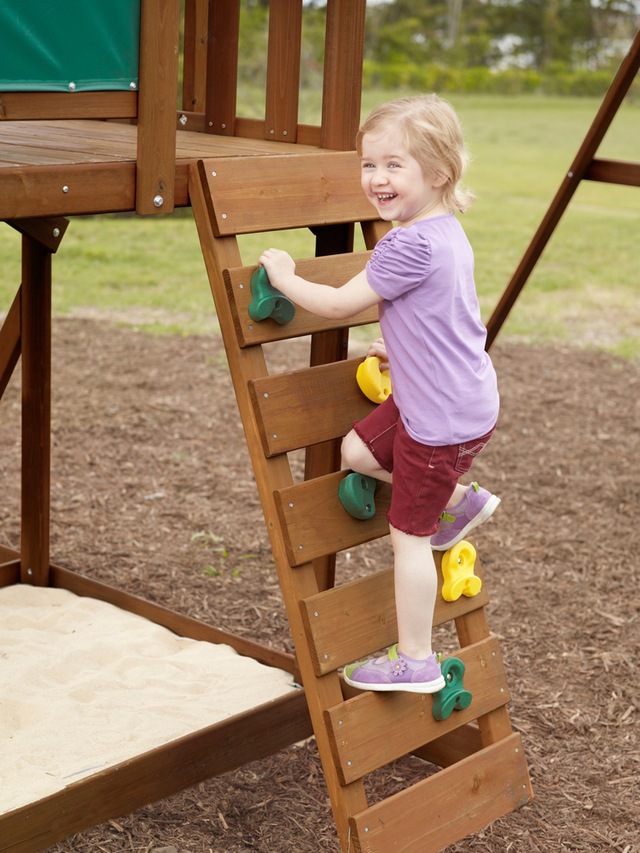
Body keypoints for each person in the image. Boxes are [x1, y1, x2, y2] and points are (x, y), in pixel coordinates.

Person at [258, 94, 500, 694]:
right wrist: (408, 350)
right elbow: (455, 317)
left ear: (438, 171)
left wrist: (288, 277)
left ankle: (415, 660)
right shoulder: (446, 233)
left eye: (395, 165)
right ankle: (461, 500)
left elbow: (341, 303)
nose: (377, 178)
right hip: (459, 399)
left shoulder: (407, 244)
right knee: (359, 455)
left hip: (436, 422)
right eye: (369, 164)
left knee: (409, 541)